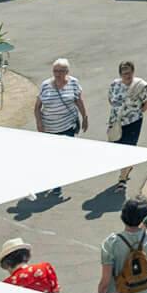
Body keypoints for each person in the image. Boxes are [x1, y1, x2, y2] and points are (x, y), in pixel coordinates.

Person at [33, 57, 87, 198]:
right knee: (52, 156)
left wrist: (85, 117)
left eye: (61, 71)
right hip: (49, 127)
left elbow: (78, 100)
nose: (57, 74)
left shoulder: (74, 83)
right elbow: (37, 107)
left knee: (63, 155)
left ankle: (57, 182)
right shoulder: (45, 85)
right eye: (55, 71)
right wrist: (39, 122)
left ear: (67, 71)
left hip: (68, 125)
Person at [107, 61, 147, 188]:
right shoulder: (114, 84)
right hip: (116, 122)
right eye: (125, 73)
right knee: (117, 149)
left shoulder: (140, 86)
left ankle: (122, 178)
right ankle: (128, 166)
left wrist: (136, 113)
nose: (128, 75)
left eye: (130, 72)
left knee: (128, 149)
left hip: (133, 122)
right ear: (120, 74)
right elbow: (110, 99)